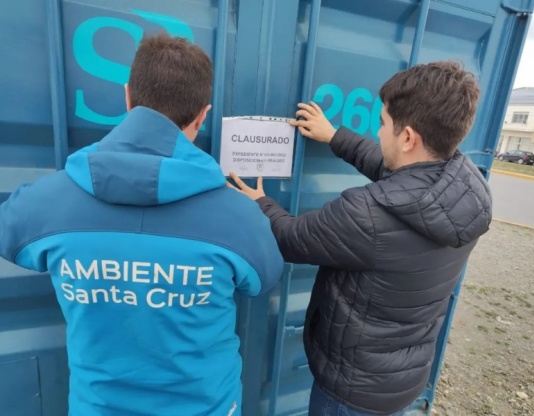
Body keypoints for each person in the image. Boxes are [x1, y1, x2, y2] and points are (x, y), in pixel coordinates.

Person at [0, 33, 283, 416]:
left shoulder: (44, 204)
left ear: (128, 97)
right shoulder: (241, 218)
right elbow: (262, 280)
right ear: (203, 114)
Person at [229, 61, 492, 415]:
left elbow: (292, 237)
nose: (379, 133)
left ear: (409, 137)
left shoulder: (368, 214)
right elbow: (399, 174)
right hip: (402, 380)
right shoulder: (468, 188)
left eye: (383, 124)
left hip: (351, 394)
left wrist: (260, 204)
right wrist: (336, 137)